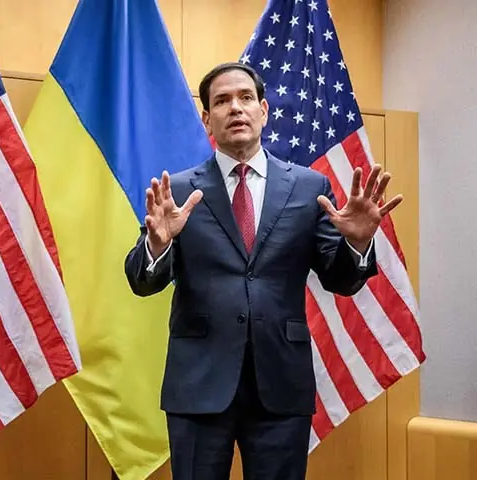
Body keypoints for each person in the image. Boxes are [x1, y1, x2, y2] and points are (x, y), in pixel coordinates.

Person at [123, 62, 403, 479]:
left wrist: (358, 242)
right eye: (221, 101)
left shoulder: (310, 188)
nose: (235, 108)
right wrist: (158, 243)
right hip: (199, 384)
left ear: (264, 110)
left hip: (281, 384)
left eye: (245, 98)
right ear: (206, 119)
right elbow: (141, 282)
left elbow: (341, 280)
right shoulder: (177, 192)